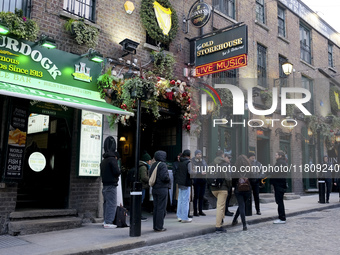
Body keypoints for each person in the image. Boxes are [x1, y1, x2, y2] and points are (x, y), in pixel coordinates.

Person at [100, 136, 121, 229]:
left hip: (104, 185)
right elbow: (116, 172)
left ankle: (105, 220)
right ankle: (108, 221)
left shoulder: (104, 160)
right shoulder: (113, 160)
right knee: (111, 203)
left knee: (106, 203)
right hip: (111, 184)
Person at [210, 150, 232, 233]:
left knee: (221, 205)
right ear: (223, 156)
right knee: (220, 206)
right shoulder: (225, 165)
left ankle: (221, 220)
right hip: (222, 188)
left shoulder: (211, 164)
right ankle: (218, 226)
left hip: (213, 189)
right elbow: (228, 178)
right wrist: (229, 186)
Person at [149, 150, 170, 232]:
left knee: (156, 207)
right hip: (162, 188)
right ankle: (159, 226)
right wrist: (168, 180)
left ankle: (155, 225)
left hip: (155, 188)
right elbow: (164, 177)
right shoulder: (163, 165)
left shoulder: (153, 165)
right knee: (161, 208)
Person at [231, 155, 252, 231]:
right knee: (242, 206)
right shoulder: (249, 169)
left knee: (241, 205)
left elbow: (233, 180)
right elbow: (253, 180)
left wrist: (234, 186)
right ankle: (236, 221)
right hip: (247, 190)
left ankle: (244, 224)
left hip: (238, 190)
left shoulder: (236, 169)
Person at [270, 150, 288, 224]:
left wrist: (268, 172)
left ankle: (282, 218)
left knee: (279, 201)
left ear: (280, 156)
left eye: (276, 155)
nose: (275, 156)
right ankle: (282, 217)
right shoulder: (283, 162)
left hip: (279, 185)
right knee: (279, 201)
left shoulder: (280, 163)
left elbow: (275, 172)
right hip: (281, 184)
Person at [176, 149, 193, 223]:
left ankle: (179, 215)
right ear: (189, 155)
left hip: (180, 183)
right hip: (186, 182)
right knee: (185, 200)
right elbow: (191, 172)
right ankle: (184, 217)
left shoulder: (180, 162)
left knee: (180, 200)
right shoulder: (188, 162)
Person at [191, 150, 207, 217]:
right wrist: (200, 172)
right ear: (195, 155)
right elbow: (193, 170)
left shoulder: (203, 160)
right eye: (198, 154)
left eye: (200, 154)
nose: (199, 155)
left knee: (201, 196)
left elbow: (206, 167)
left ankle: (200, 210)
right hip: (196, 180)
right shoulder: (192, 161)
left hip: (203, 180)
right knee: (196, 196)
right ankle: (195, 211)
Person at [139, 152, 152, 221]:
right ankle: (139, 215)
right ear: (147, 160)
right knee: (140, 201)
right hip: (142, 186)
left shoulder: (141, 166)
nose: (150, 162)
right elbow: (144, 177)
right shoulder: (143, 167)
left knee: (140, 200)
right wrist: (150, 180)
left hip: (142, 186)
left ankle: (138, 214)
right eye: (150, 160)